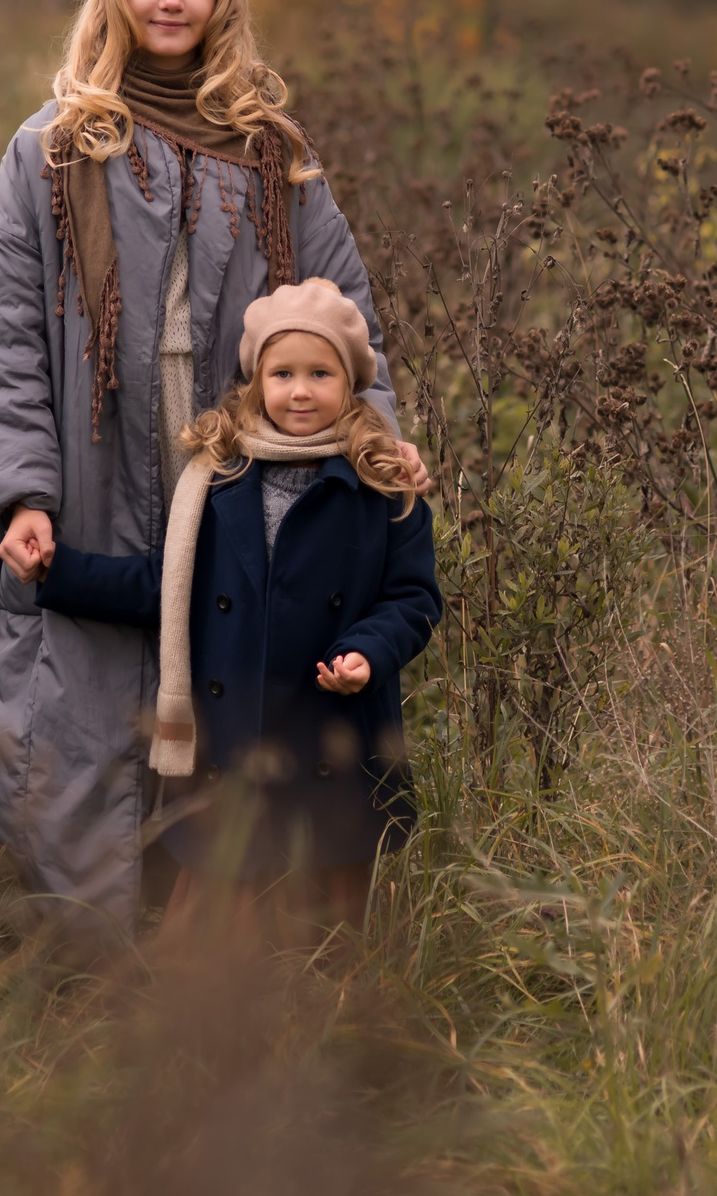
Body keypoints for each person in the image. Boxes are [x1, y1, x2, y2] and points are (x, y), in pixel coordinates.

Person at [0, 0, 427, 951]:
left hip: (239, 468)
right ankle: (85, 954)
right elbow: (5, 337)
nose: (170, 1)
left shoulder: (272, 152)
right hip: (91, 457)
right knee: (80, 687)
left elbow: (339, 312)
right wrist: (22, 489)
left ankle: (222, 966)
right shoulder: (50, 148)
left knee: (231, 692)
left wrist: (381, 441)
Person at [32, 278, 439, 940]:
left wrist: (368, 649)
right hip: (233, 757)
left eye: (319, 373)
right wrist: (60, 571)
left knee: (324, 953)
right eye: (283, 373)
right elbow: (165, 586)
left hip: (329, 744)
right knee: (209, 961)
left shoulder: (381, 484)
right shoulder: (218, 482)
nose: (300, 391)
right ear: (257, 383)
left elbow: (414, 598)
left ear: (351, 383)